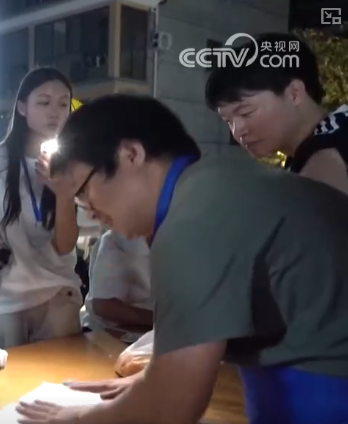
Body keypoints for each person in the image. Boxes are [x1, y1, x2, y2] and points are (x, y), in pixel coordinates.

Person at [17, 94, 348, 424]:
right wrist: (152, 382)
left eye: (83, 191)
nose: (90, 211)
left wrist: (80, 418)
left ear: (131, 154)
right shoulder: (215, 182)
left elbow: (169, 408)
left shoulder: (191, 221)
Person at [0, 68, 82, 349]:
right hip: (3, 294)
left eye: (63, 104)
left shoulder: (74, 164)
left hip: (56, 290)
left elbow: (65, 246)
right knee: (1, 373)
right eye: (44, 102)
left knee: (60, 372)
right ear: (22, 107)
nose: (55, 112)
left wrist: (62, 192)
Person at [206, 32, 348, 193]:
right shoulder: (333, 133)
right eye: (228, 120)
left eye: (246, 112)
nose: (237, 131)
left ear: (294, 93)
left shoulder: (325, 158)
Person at [80, 229, 152, 341]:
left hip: (155, 333)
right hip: (107, 331)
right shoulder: (115, 240)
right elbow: (104, 306)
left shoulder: (176, 238)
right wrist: (160, 319)